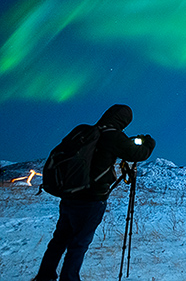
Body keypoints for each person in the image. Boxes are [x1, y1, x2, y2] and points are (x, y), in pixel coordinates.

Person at [33, 104, 155, 281]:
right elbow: (138, 154)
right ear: (124, 120)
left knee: (59, 239)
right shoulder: (113, 135)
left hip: (70, 195)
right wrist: (149, 142)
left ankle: (44, 276)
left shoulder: (85, 131)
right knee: (79, 244)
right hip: (91, 199)